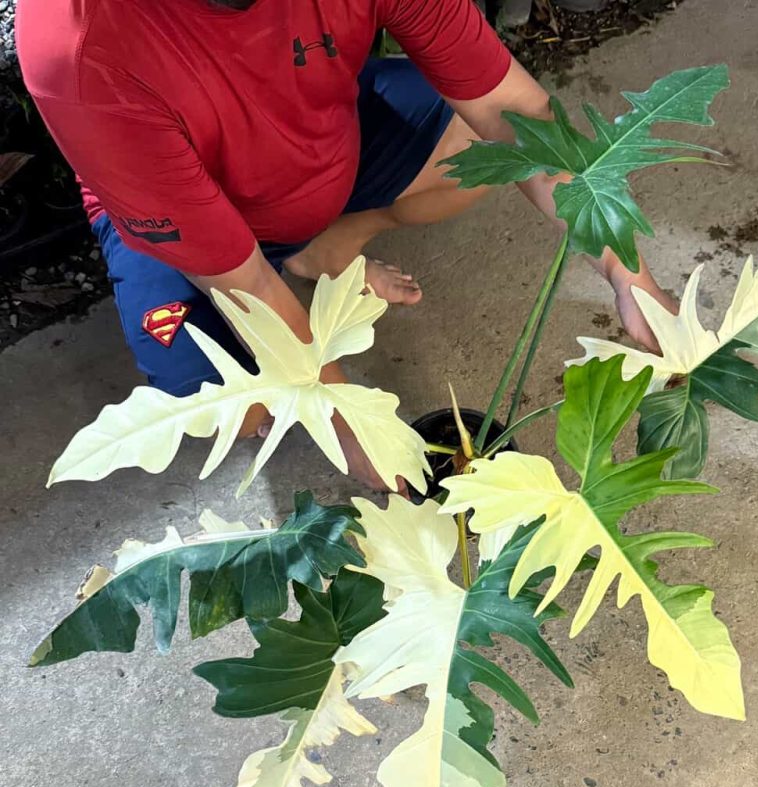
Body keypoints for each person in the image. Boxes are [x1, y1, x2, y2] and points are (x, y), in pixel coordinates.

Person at [16, 0, 677, 489]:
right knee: (229, 411)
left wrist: (628, 271)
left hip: (313, 135)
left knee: (477, 150)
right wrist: (348, 425)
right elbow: (242, 282)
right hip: (186, 229)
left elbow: (516, 115)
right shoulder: (79, 46)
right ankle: (302, 257)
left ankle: (328, 246)